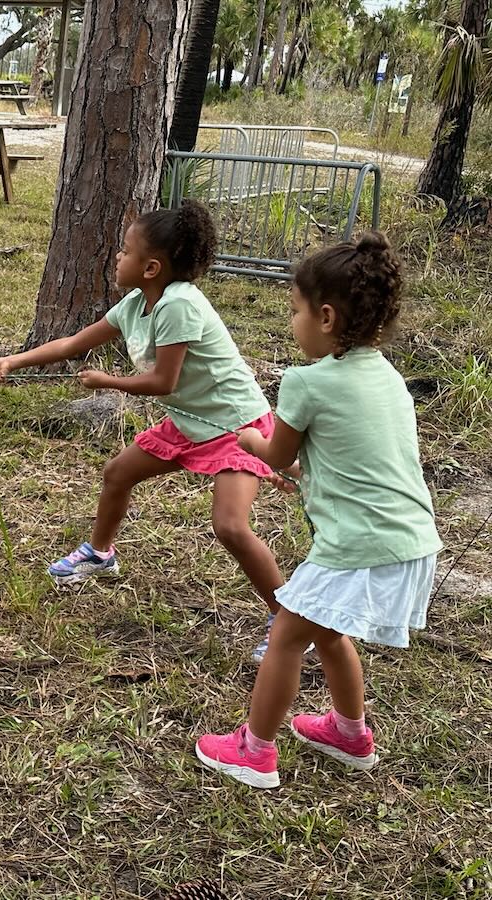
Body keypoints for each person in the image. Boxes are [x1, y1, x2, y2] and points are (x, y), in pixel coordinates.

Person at [0, 202, 288, 659]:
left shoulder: (179, 305)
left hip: (234, 425)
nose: (117, 259)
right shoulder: (137, 303)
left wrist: (109, 382)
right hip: (190, 421)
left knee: (229, 526)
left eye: (125, 252)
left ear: (152, 267)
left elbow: (164, 381)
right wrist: (13, 361)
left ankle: (287, 616)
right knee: (118, 472)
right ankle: (100, 554)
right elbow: (74, 342)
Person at [195, 232, 442, 789]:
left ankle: (253, 752)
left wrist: (252, 443)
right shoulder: (388, 379)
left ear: (325, 317)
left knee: (287, 634)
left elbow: (277, 452)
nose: (293, 322)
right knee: (329, 632)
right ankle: (350, 735)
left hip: (359, 544)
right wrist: (310, 474)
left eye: (294, 310)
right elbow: (363, 459)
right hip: (411, 540)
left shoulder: (306, 381)